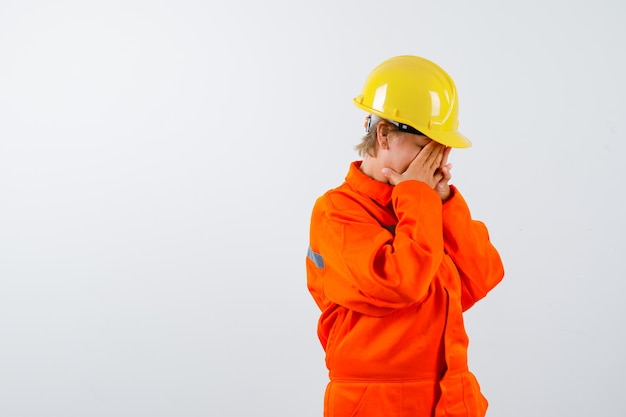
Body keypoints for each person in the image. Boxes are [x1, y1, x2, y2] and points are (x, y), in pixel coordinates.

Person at [306, 55, 505, 417]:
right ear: (384, 135)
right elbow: (399, 283)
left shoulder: (422, 205)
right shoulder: (337, 212)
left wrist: (442, 203)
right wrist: (418, 197)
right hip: (377, 404)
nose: (437, 162)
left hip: (451, 397)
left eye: (442, 150)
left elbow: (482, 277)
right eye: (426, 147)